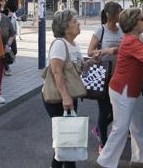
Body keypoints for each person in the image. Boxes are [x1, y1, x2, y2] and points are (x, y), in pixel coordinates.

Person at [95, 8, 143, 168]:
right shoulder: (132, 40)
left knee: (139, 124)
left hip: (129, 90)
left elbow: (141, 55)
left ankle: (140, 160)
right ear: (133, 23)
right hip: (123, 90)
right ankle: (104, 163)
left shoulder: (133, 39)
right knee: (121, 128)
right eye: (141, 19)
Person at [44, 9, 99, 168]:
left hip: (69, 95)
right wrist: (66, 97)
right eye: (75, 21)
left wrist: (90, 62)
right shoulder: (60, 45)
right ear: (65, 27)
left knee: (68, 138)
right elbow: (56, 72)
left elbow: (76, 70)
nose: (78, 23)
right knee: (65, 139)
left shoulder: (73, 44)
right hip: (58, 98)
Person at [87, 2, 123, 153]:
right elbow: (90, 51)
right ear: (110, 14)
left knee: (117, 111)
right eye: (118, 13)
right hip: (102, 75)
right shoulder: (100, 30)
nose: (120, 16)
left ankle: (97, 129)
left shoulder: (122, 30)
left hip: (119, 76)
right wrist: (106, 52)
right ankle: (103, 142)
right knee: (104, 110)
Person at [2, 0, 19, 76]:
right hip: (5, 36)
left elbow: (15, 22)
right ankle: (6, 67)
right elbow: (2, 23)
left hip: (13, 36)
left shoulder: (13, 12)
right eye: (17, 3)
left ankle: (5, 63)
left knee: (14, 51)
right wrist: (8, 16)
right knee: (5, 51)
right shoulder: (4, 12)